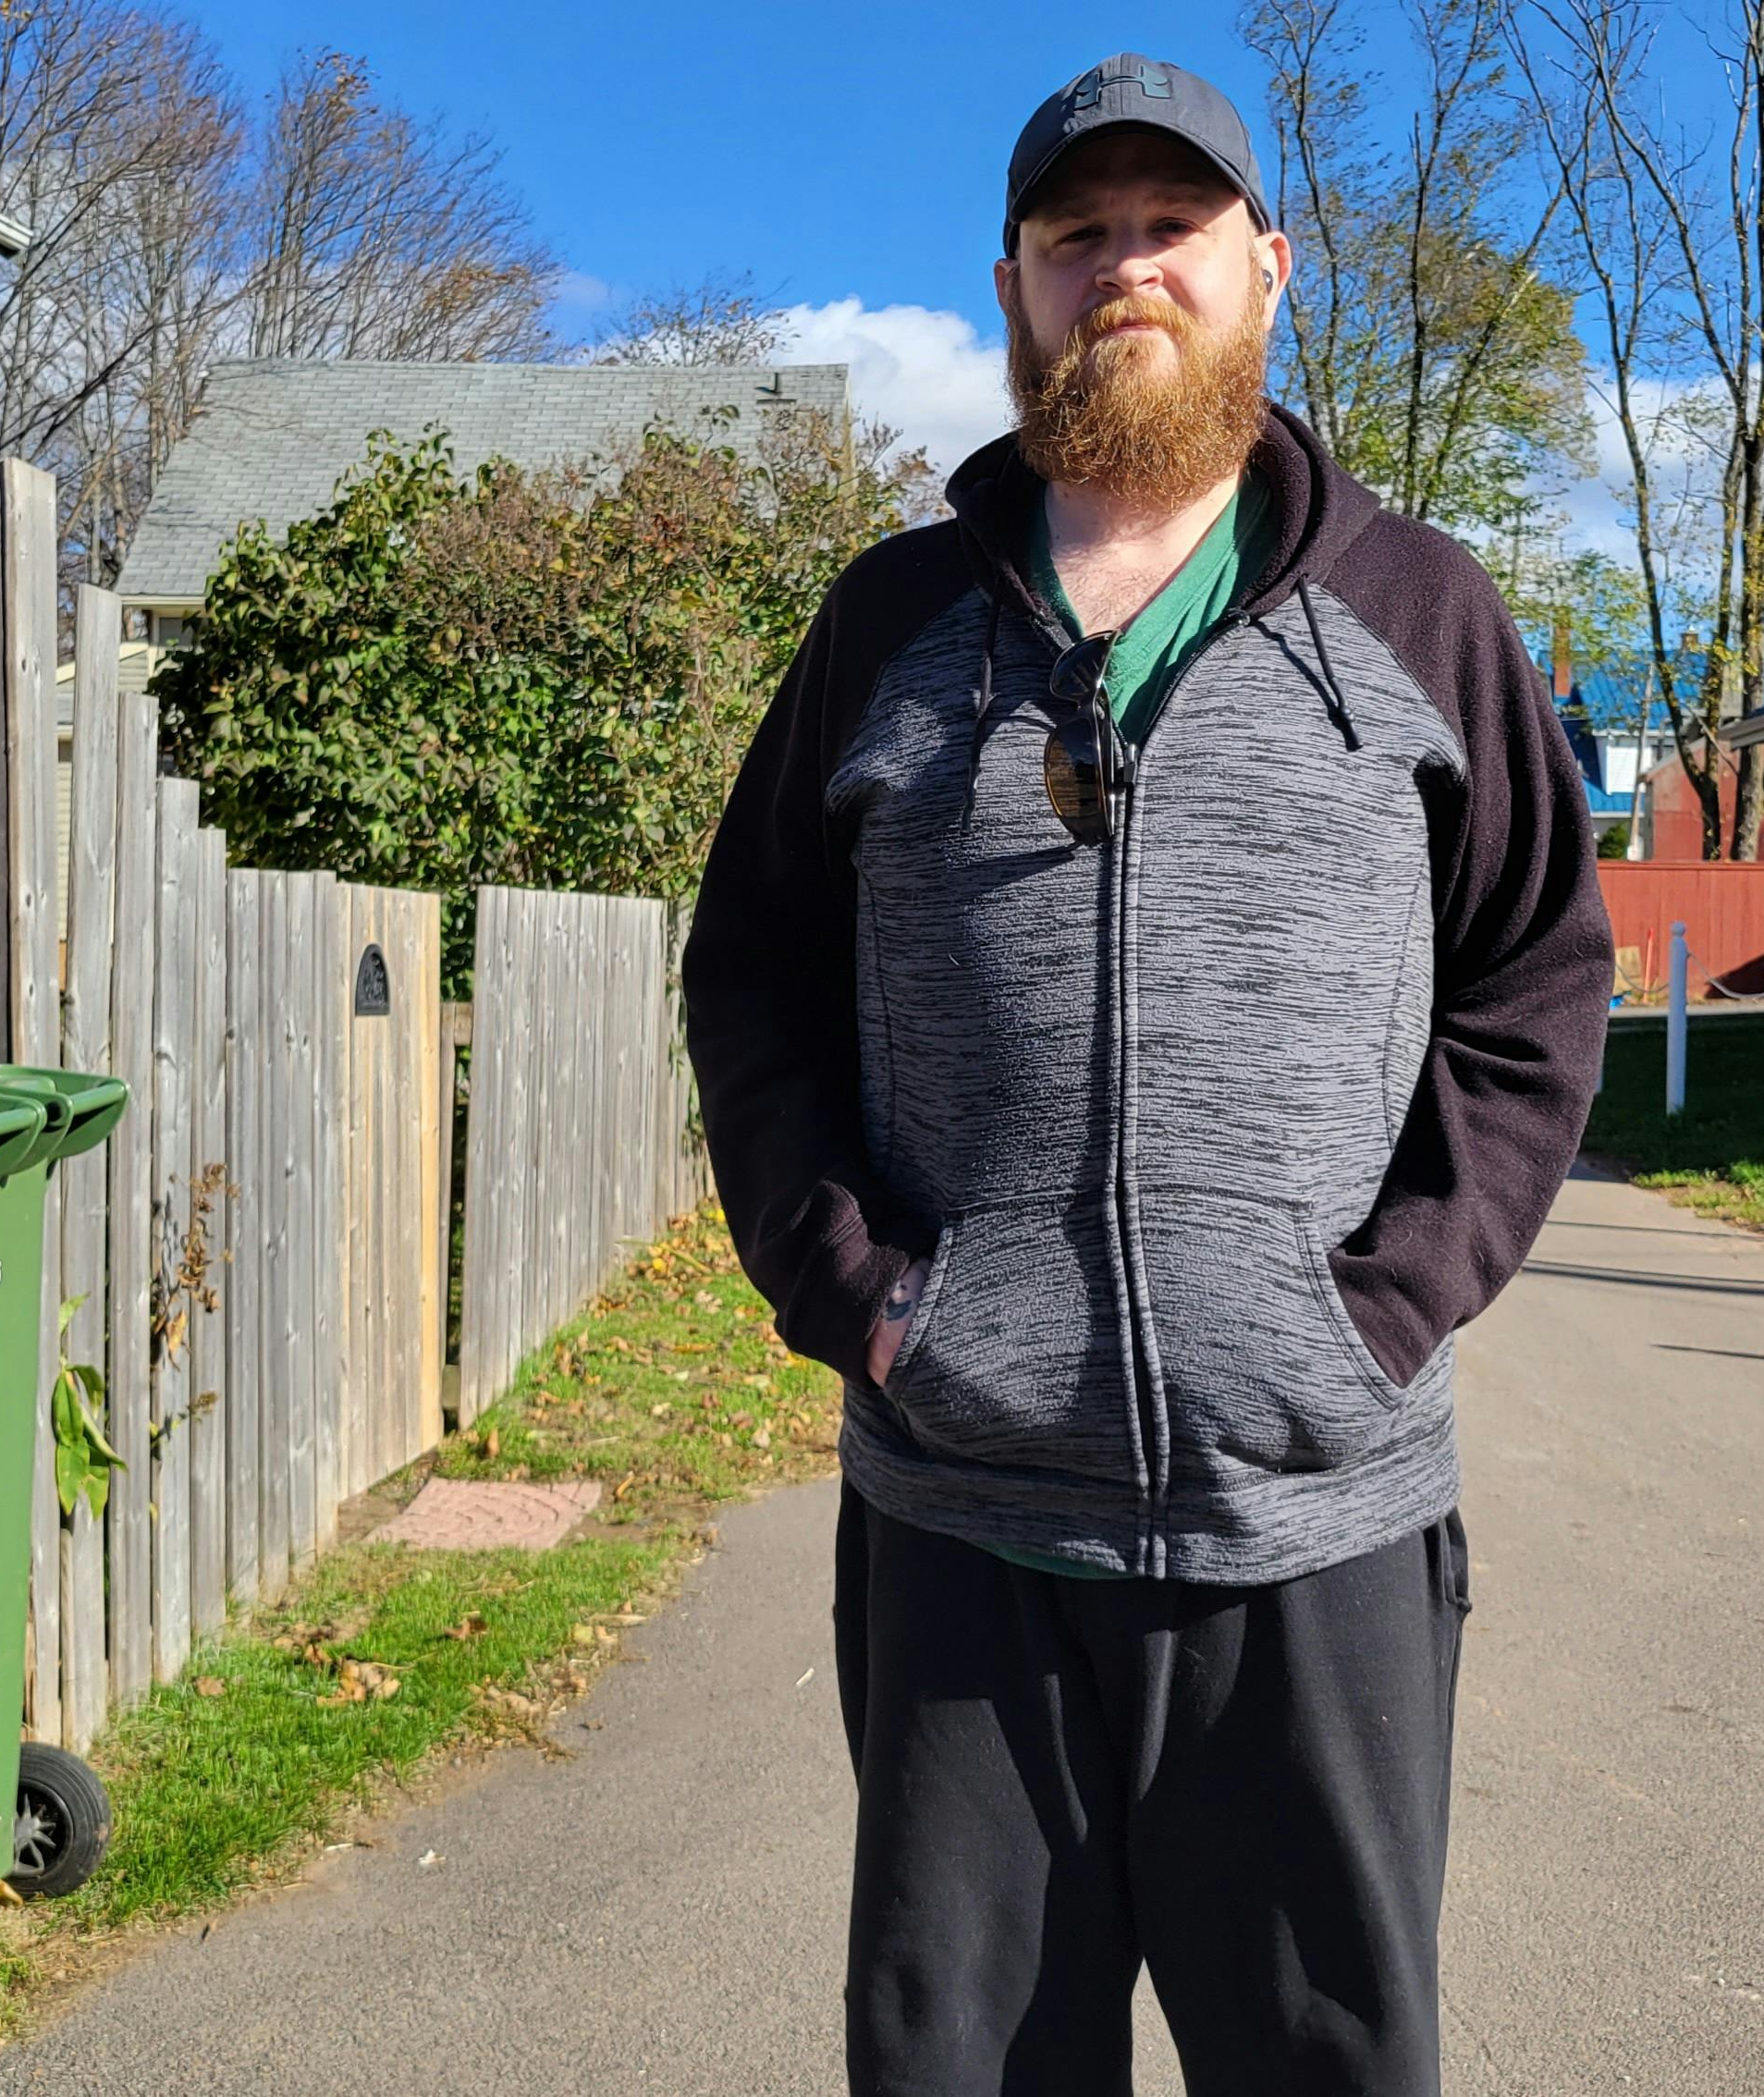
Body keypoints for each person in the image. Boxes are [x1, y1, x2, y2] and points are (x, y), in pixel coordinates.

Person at [683, 53, 1612, 2097]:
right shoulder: (893, 628)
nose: (1127, 269)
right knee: (960, 2069)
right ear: (1014, 284)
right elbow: (749, 970)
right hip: (966, 1524)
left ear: (1266, 267)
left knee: (1326, 2065)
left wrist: (1385, 1304)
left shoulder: (1419, 614)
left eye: (1171, 227)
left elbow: (1539, 979)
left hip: (1319, 1524)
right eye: (1076, 234)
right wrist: (855, 1289)